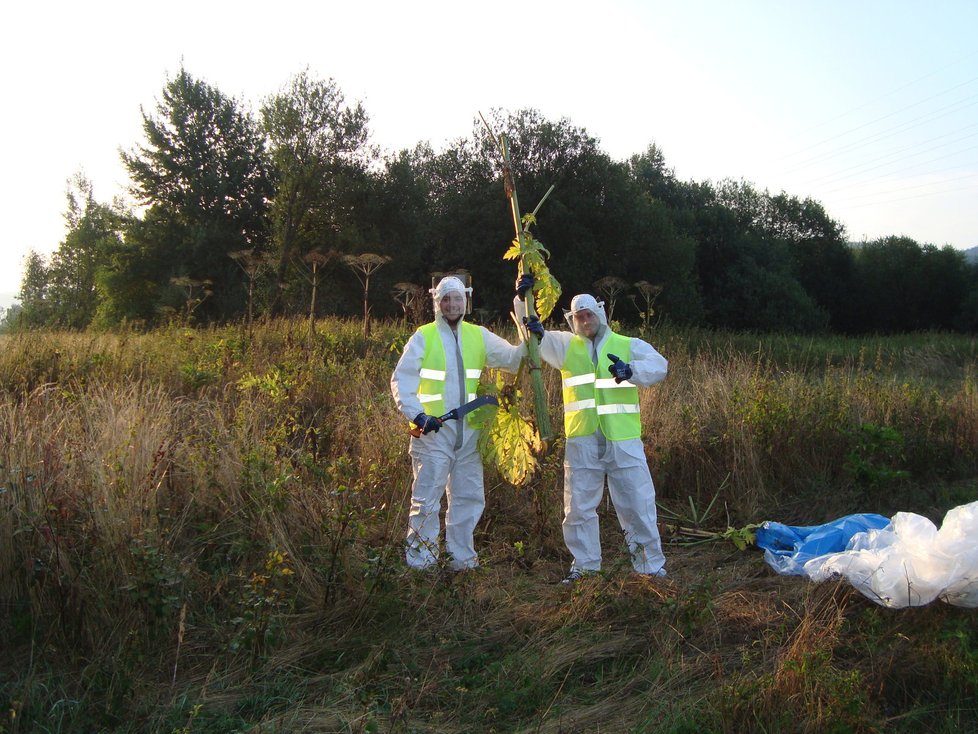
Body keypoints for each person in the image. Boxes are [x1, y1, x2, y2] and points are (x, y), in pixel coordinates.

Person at [516, 275, 668, 583]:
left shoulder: (627, 345)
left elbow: (660, 366)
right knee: (578, 508)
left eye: (589, 315)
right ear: (573, 320)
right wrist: (522, 298)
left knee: (637, 504)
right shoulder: (564, 345)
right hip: (582, 440)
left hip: (622, 439)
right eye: (579, 317)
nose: (585, 321)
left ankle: (650, 568)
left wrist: (632, 371)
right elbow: (530, 333)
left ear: (600, 314)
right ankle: (584, 570)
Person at [391, 275, 525, 571]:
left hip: (469, 437)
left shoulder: (479, 336)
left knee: (468, 499)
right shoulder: (423, 336)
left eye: (457, 299)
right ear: (437, 303)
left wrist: (523, 305)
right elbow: (401, 380)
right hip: (433, 434)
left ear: (466, 301)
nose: (451, 304)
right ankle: (421, 565)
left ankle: (461, 561)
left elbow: (515, 359)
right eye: (445, 299)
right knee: (426, 502)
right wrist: (417, 415)